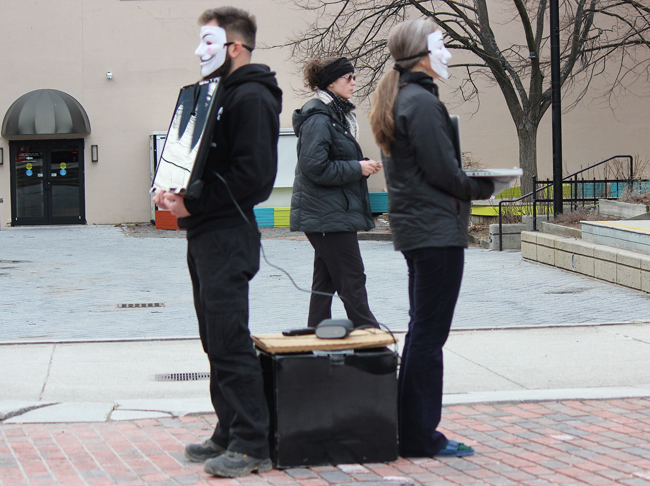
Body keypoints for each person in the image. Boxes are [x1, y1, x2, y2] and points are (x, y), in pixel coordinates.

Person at [153, 6, 282, 478]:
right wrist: (174, 190)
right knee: (215, 338)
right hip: (207, 232)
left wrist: (195, 201)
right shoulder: (217, 97)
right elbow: (204, 164)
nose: (197, 51)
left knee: (228, 338)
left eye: (208, 42)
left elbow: (255, 177)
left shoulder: (252, 98)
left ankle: (252, 443)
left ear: (235, 47)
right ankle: (229, 430)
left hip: (228, 233)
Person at [368, 18, 505, 457]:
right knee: (428, 335)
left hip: (421, 230)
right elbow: (443, 171)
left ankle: (411, 431)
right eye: (441, 45)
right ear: (423, 54)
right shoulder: (421, 103)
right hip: (434, 233)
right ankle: (420, 436)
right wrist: (486, 187)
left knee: (422, 331)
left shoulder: (405, 98)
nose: (447, 53)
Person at [290, 56, 381, 329]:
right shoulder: (319, 118)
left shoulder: (335, 115)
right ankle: (371, 340)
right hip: (326, 215)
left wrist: (359, 167)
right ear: (331, 82)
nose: (354, 82)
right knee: (352, 278)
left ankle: (313, 338)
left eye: (354, 77)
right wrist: (357, 168)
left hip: (329, 213)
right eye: (348, 78)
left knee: (325, 282)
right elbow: (314, 167)